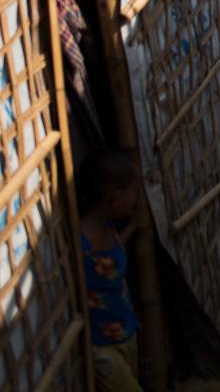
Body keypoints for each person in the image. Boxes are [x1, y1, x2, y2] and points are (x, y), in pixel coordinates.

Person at [78, 150, 143, 392]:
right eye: (133, 194)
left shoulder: (108, 228)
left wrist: (133, 227)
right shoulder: (80, 244)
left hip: (126, 332)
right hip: (103, 347)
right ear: (115, 199)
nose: (136, 201)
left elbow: (109, 261)